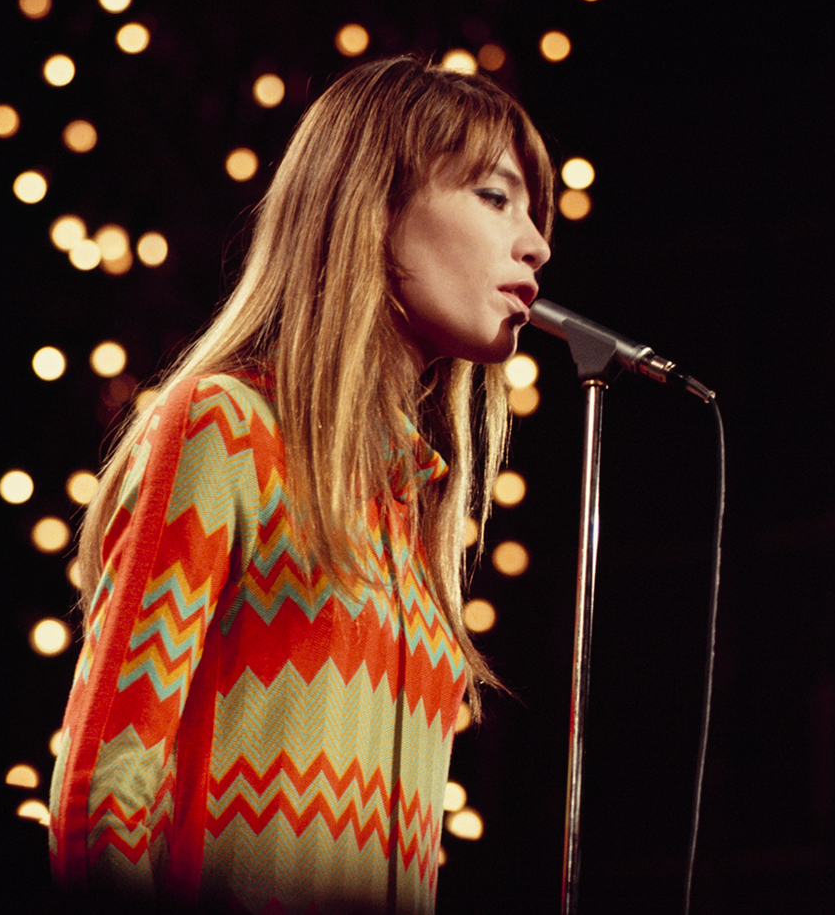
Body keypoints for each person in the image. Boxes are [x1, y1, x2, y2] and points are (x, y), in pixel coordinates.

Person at [48, 55, 554, 913]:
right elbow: (107, 785)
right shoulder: (230, 430)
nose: (537, 241)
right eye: (495, 196)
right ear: (375, 206)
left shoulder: (415, 507)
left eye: (534, 212)